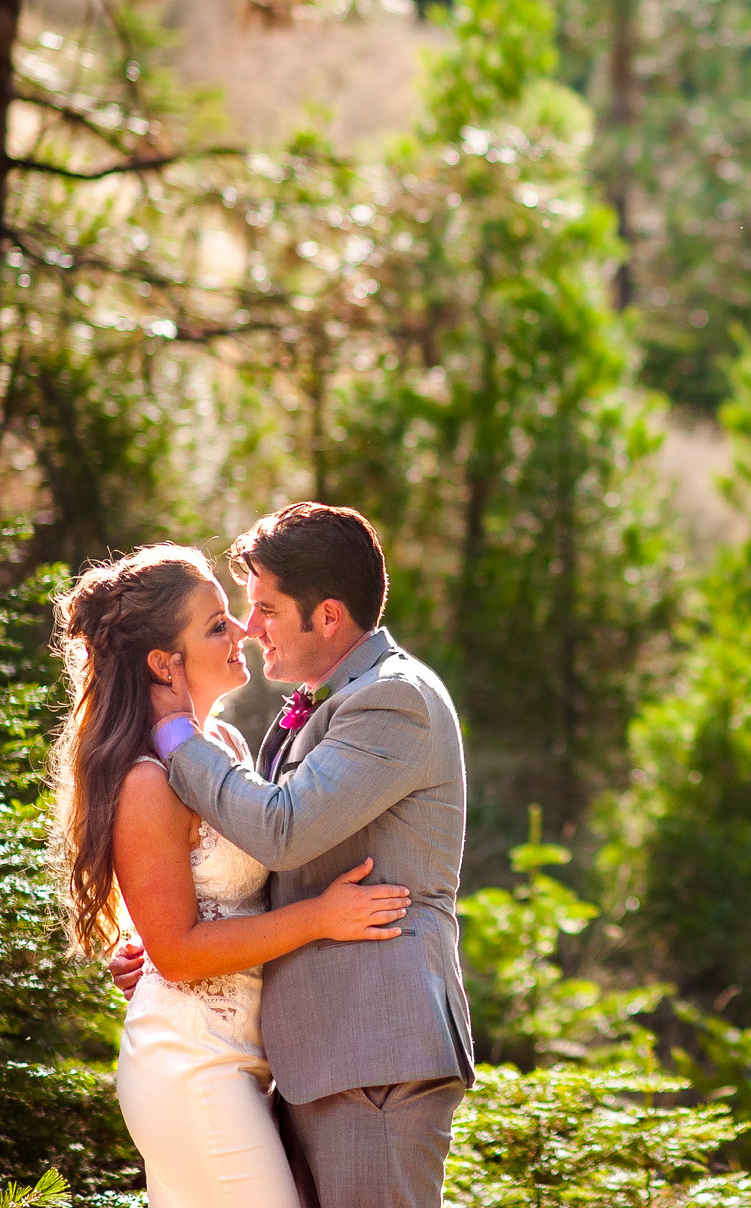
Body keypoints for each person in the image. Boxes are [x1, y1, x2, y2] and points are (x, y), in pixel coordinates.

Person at [117, 502, 476, 1208]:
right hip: (317, 1058)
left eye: (268, 608)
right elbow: (266, 870)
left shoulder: (392, 701)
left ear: (330, 617)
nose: (251, 629)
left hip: (375, 1053)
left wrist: (172, 736)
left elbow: (283, 831)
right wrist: (173, 946)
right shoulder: (334, 700)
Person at [51, 543, 412, 1208]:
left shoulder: (228, 751)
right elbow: (180, 951)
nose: (244, 630)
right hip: (191, 1067)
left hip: (246, 1063)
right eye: (217, 624)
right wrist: (321, 918)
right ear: (164, 662)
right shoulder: (147, 782)